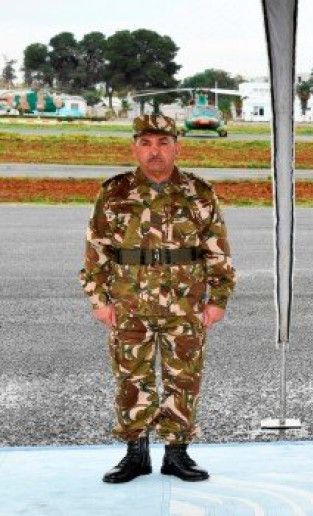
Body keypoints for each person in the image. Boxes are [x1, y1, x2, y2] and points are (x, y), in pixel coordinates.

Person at [79, 114, 236, 484]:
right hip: (129, 304)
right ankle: (135, 454)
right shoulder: (114, 192)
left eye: (163, 143)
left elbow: (218, 250)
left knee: (184, 378)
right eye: (147, 143)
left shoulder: (199, 192)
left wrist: (219, 299)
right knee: (132, 378)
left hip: (186, 304)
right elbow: (95, 250)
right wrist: (98, 299)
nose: (155, 152)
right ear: (135, 147)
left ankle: (177, 454)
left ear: (177, 147)